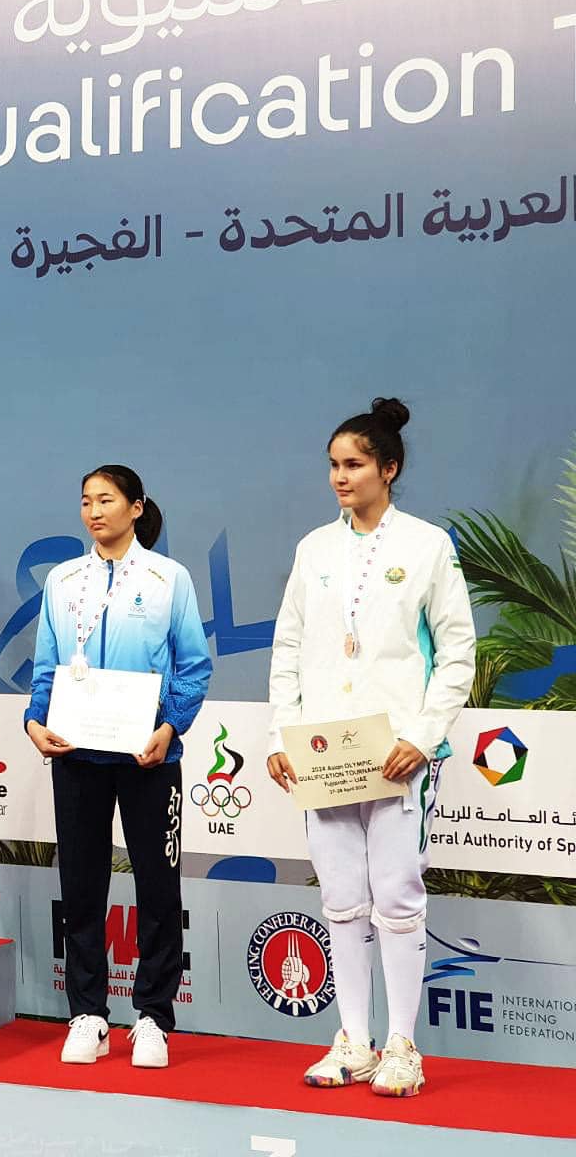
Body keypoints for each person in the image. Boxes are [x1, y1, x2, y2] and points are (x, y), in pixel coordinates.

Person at [265, 397, 474, 1096]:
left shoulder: (427, 545)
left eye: (353, 464)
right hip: (324, 753)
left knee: (397, 897)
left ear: (389, 468)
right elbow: (288, 648)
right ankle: (353, 1041)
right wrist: (280, 735)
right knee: (342, 900)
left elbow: (457, 653)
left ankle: (403, 1046)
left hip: (397, 756)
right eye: (333, 465)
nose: (339, 477)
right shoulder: (314, 549)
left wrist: (422, 736)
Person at [25, 466, 212, 1069]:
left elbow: (194, 666)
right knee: (80, 886)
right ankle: (88, 1014)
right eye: (86, 501)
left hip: (147, 756)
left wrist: (170, 727)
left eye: (106, 500)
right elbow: (47, 666)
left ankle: (153, 1017)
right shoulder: (62, 580)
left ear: (136, 507)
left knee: (158, 886)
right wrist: (34, 721)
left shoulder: (168, 579)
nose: (94, 511)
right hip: (75, 755)